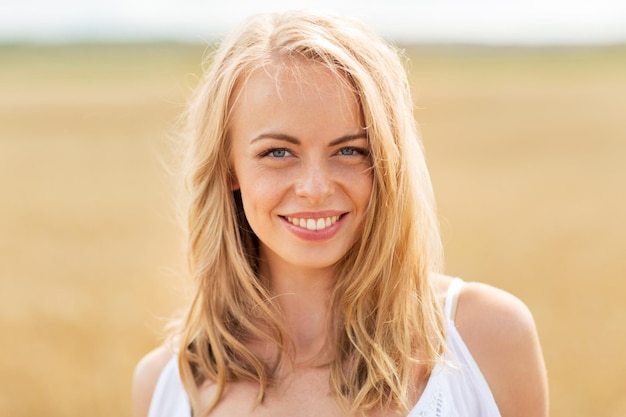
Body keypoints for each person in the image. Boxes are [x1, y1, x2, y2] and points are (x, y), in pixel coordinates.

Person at [132, 10, 548, 417]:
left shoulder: (486, 339)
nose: (315, 188)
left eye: (350, 150)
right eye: (278, 152)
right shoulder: (165, 387)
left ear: (388, 162)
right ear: (228, 167)